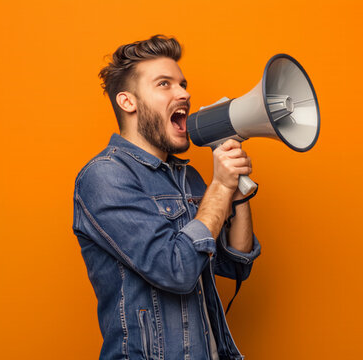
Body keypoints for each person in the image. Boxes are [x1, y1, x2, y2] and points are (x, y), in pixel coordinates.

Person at [72, 35, 260, 360]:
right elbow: (176, 270)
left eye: (183, 84)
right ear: (128, 102)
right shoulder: (104, 177)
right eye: (164, 84)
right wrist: (220, 188)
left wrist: (237, 191)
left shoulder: (189, 177)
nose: (184, 93)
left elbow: (235, 264)